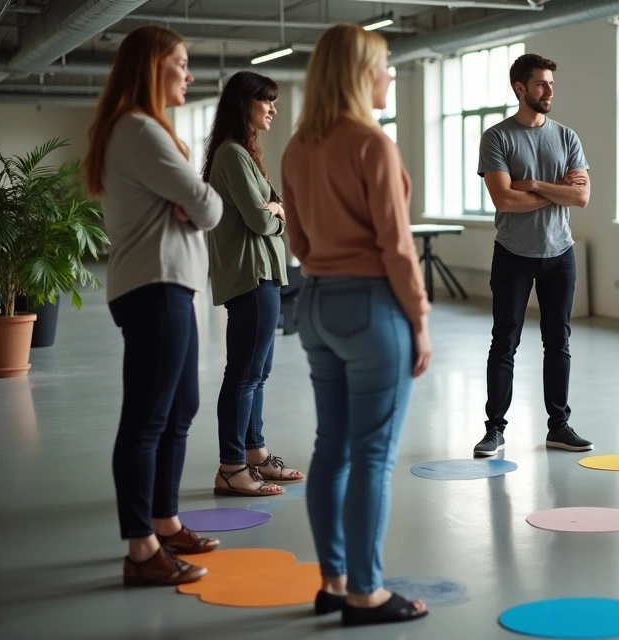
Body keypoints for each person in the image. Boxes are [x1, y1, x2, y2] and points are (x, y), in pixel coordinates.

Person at [281, 23, 431, 626]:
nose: (390, 75)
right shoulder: (373, 144)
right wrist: (419, 319)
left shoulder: (296, 148)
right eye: (384, 65)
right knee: (372, 455)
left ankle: (333, 582)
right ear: (358, 74)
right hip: (371, 309)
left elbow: (295, 237)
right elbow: (397, 246)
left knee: (331, 448)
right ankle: (367, 594)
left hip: (315, 304)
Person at [84, 25, 224, 586]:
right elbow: (209, 207)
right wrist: (194, 198)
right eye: (181, 64)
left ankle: (164, 521)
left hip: (169, 286)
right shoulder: (142, 130)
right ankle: (141, 548)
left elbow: (196, 203)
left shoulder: (141, 129)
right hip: (156, 288)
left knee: (180, 408)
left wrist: (192, 198)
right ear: (152, 68)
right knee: (146, 420)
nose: (189, 75)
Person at [472, 53, 593, 458]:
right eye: (541, 84)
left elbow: (582, 196)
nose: (549, 91)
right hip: (513, 253)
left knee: (558, 341)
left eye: (552, 84)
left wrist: (535, 185)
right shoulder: (497, 138)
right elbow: (504, 199)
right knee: (504, 341)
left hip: (560, 253)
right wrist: (554, 190)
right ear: (520, 88)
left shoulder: (566, 136)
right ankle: (494, 429)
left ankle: (558, 427)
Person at [203, 71, 303, 498]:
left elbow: (276, 207)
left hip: (262, 273)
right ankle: (231, 467)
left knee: (256, 374)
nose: (274, 110)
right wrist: (277, 211)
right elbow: (263, 218)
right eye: (267, 102)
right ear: (246, 105)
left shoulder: (242, 154)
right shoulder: (231, 155)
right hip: (251, 274)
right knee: (243, 374)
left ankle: (255, 455)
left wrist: (276, 208)